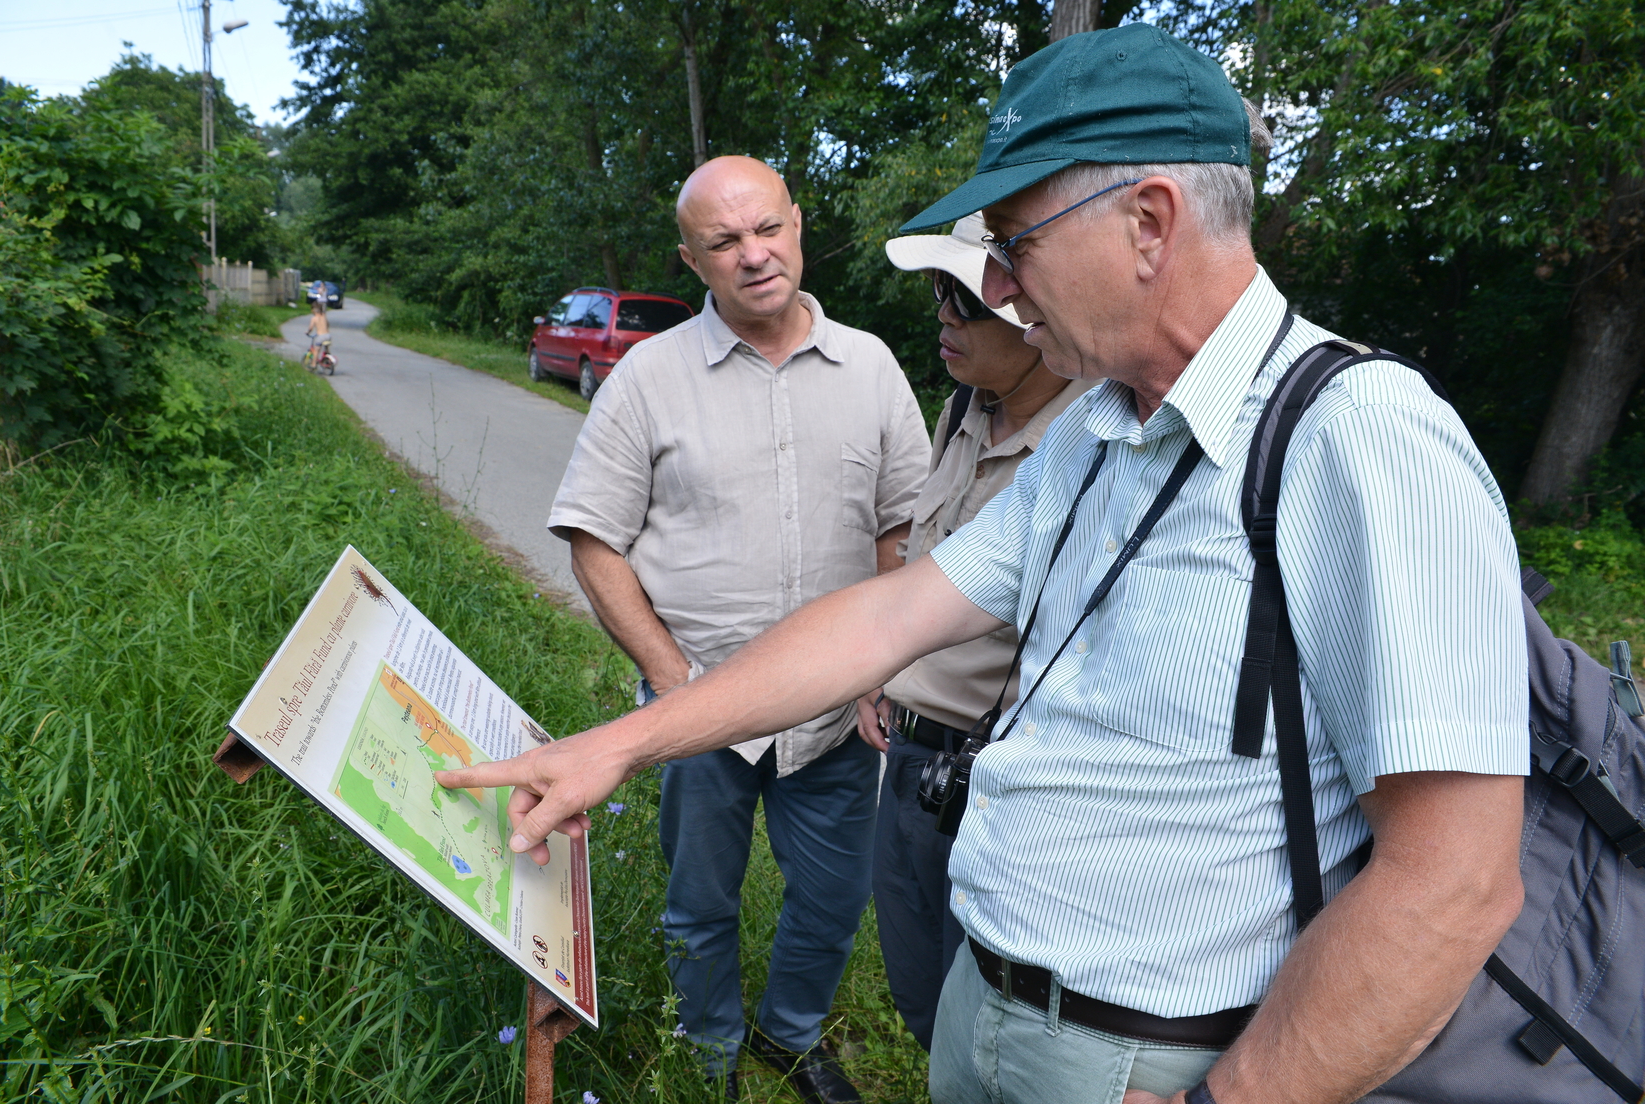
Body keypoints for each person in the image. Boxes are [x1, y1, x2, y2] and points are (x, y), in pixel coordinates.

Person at [442, 26, 1528, 1104]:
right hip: (986, 1013)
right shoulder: (1094, 431)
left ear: (1149, 223)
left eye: (1016, 243)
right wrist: (619, 746)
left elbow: (1456, 879)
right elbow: (888, 618)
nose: (998, 285)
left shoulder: (1362, 441)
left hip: (1157, 1059)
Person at [544, 156, 930, 1102]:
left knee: (834, 899)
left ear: (797, 225)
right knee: (699, 906)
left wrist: (883, 672)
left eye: (767, 229)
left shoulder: (872, 368)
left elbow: (903, 532)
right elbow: (593, 540)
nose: (754, 255)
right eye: (724, 242)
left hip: (838, 712)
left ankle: (790, 1035)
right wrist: (676, 684)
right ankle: (708, 1054)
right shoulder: (648, 377)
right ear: (693, 260)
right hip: (699, 710)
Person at [856, 213, 1093, 1051]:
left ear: (1034, 315)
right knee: (917, 987)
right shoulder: (962, 405)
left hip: (991, 775)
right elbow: (923, 560)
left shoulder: (1088, 442)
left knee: (986, 1015)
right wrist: (879, 671)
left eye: (967, 299)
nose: (944, 315)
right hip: (908, 754)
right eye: (939, 291)